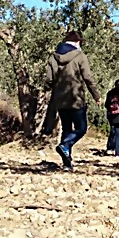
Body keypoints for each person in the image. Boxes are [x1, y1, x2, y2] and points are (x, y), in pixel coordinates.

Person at [43, 31, 102, 171]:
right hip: (76, 98)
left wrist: (54, 89)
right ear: (77, 42)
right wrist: (96, 95)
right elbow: (88, 77)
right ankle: (65, 146)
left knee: (66, 129)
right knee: (81, 128)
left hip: (60, 99)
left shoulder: (54, 57)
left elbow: (48, 80)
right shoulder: (80, 56)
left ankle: (67, 163)